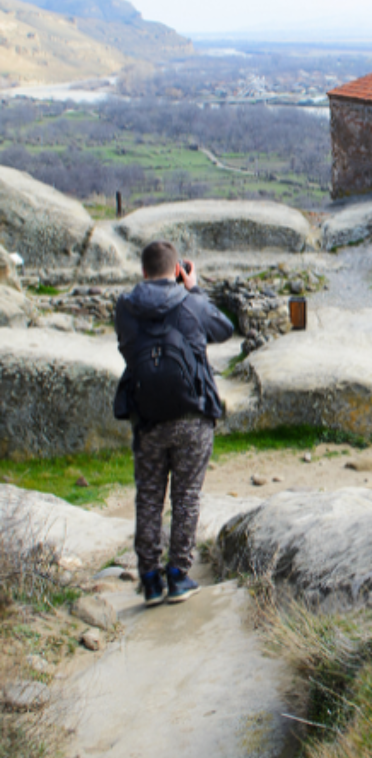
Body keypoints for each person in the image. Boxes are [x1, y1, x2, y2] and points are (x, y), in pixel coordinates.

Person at [113, 241, 234, 607]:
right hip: (192, 417)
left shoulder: (125, 307)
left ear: (144, 272)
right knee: (186, 497)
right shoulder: (191, 302)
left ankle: (150, 580)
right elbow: (225, 329)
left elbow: (126, 343)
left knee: (149, 497)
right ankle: (178, 576)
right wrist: (193, 287)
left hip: (146, 419)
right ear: (176, 269)